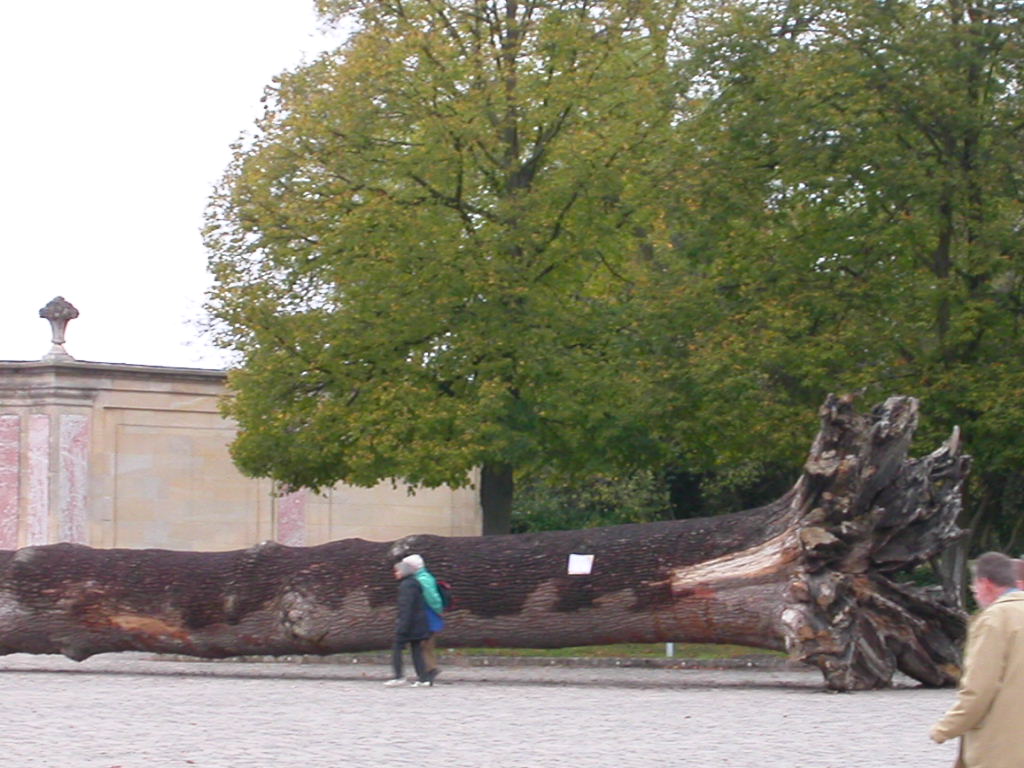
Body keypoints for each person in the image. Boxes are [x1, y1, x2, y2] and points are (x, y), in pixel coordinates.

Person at [931, 551, 1024, 767]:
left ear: (985, 584)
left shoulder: (994, 620)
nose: (975, 594)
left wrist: (945, 728)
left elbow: (980, 687)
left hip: (1003, 746)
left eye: (973, 589)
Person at [384, 559, 432, 687]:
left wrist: (402, 627)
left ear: (403, 571)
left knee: (397, 649)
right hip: (418, 624)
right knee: (416, 651)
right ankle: (424, 678)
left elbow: (406, 607)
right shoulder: (414, 583)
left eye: (397, 571)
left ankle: (399, 676)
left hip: (409, 624)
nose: (395, 574)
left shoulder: (406, 586)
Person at [401, 554, 445, 684]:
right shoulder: (422, 578)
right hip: (426, 616)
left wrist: (438, 610)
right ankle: (428, 671)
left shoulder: (422, 579)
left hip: (428, 616)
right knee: (425, 645)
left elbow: (432, 598)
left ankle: (429, 671)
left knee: (424, 644)